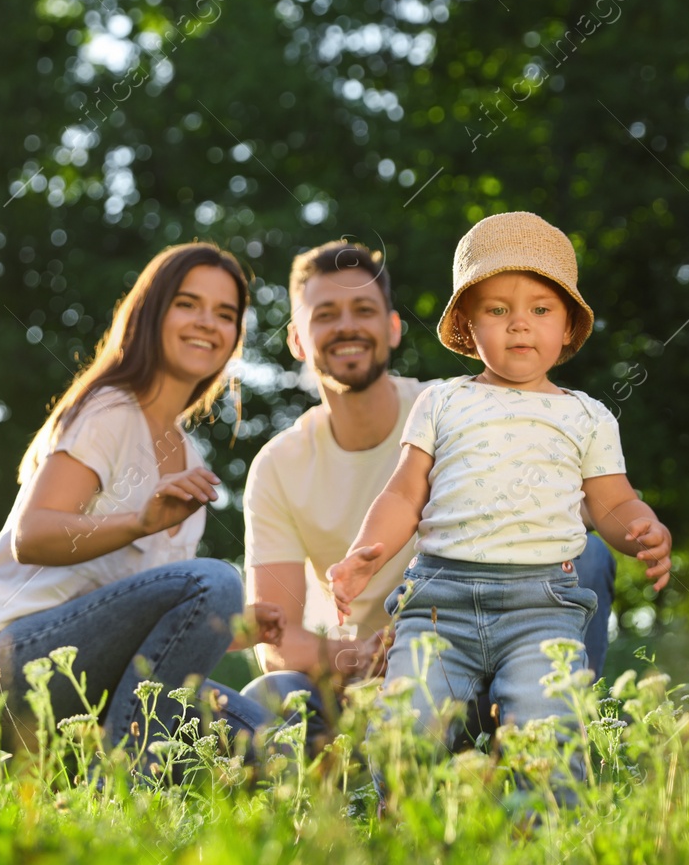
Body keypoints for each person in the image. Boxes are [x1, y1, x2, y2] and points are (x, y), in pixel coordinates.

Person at [326, 212, 672, 767]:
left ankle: (549, 839)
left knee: (548, 730)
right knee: (407, 730)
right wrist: (364, 555)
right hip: (438, 603)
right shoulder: (442, 401)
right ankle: (406, 836)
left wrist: (642, 530)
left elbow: (612, 500)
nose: (519, 325)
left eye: (540, 309)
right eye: (497, 310)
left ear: (566, 327)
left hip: (542, 604)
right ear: (468, 323)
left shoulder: (586, 416)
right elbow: (403, 493)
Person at [241, 240, 617, 737]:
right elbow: (275, 638)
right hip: (363, 679)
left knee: (587, 555)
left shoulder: (453, 410)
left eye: (363, 310)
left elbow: (571, 508)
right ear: (296, 340)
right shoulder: (277, 465)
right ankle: (373, 776)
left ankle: (535, 739)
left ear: (393, 328)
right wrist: (357, 655)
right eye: (325, 314)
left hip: (475, 650)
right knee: (266, 699)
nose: (347, 326)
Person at [0, 242, 280, 776]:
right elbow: (34, 534)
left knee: (278, 745)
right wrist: (139, 523)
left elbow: (149, 623)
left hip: (83, 669)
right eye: (188, 304)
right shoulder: (112, 410)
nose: (207, 323)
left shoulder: (188, 458)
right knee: (215, 580)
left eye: (226, 313)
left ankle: (45, 772)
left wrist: (235, 629)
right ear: (151, 312)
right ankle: (118, 795)